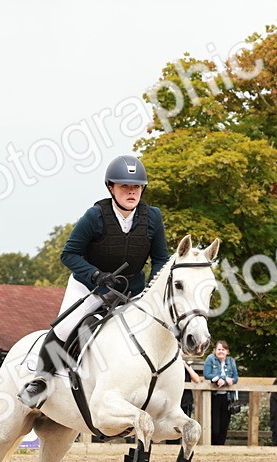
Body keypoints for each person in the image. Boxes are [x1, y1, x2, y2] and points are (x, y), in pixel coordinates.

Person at [18, 154, 169, 408]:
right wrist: (96, 275)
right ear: (111, 188)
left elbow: (161, 259)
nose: (131, 192)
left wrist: (153, 292)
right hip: (90, 286)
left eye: (136, 187)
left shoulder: (152, 217)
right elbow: (68, 254)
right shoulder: (95, 216)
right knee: (65, 327)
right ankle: (41, 379)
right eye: (124, 186)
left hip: (132, 290)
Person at [203, 340, 239, 446]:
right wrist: (222, 377)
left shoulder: (231, 361)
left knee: (224, 424)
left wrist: (230, 381)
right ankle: (212, 445)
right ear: (215, 351)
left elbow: (236, 377)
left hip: (227, 396)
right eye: (219, 349)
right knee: (215, 425)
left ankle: (220, 446)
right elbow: (206, 374)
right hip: (213, 396)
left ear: (227, 351)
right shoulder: (210, 359)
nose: (221, 351)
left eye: (223, 349)